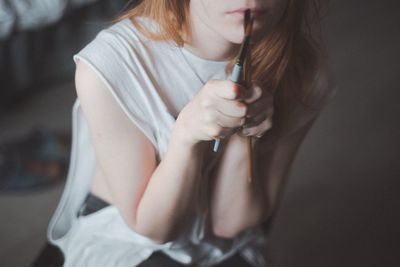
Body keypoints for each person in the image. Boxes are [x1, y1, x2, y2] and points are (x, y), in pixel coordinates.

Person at [32, 0, 337, 266]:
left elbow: (230, 223)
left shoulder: (303, 73)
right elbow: (153, 228)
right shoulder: (111, 64)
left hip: (220, 242)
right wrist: (186, 135)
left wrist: (245, 132)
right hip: (126, 235)